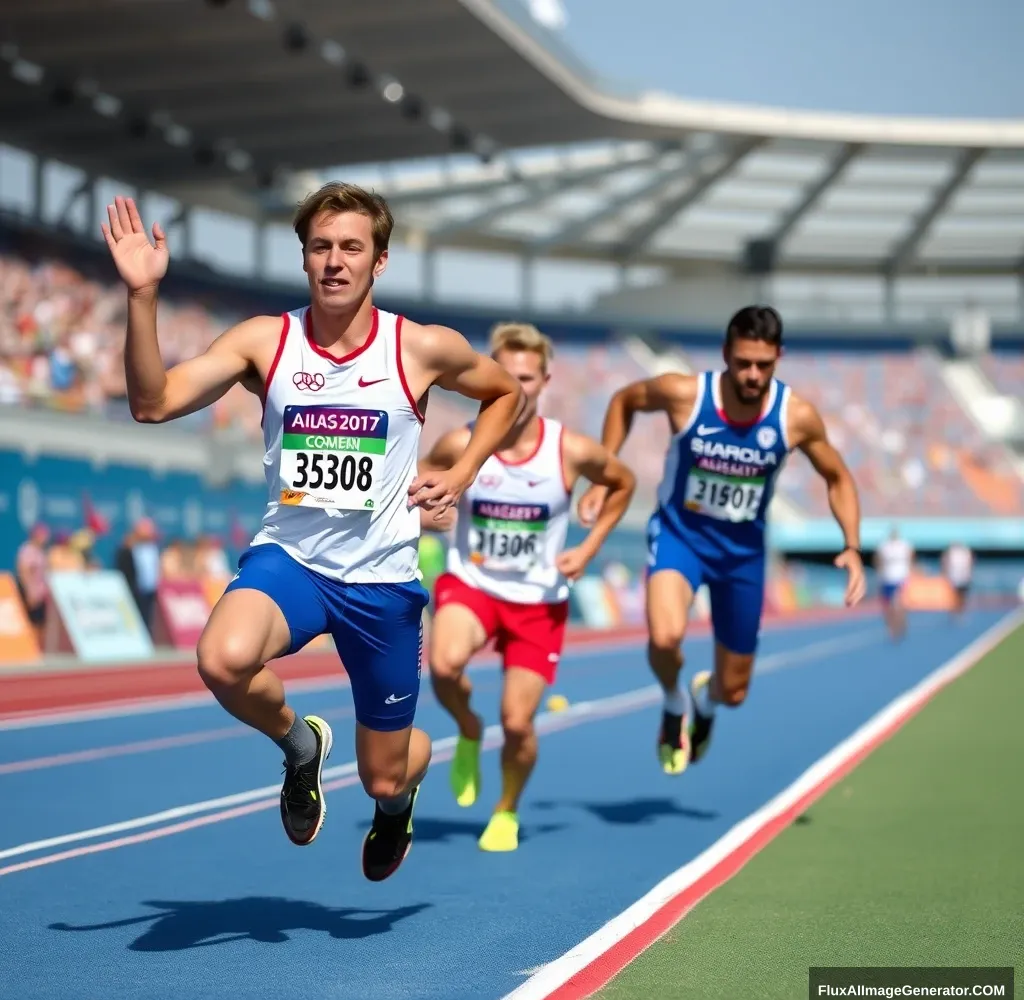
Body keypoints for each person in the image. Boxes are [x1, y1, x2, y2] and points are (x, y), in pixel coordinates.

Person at [101, 185, 523, 882]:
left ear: (379, 261)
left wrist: (466, 470)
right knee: (221, 659)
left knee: (384, 778)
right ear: (304, 258)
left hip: (382, 583)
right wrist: (142, 296)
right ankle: (300, 745)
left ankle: (397, 804)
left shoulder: (418, 348)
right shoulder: (265, 341)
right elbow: (152, 404)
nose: (334, 262)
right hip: (291, 561)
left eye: (351, 247)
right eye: (321, 247)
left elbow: (507, 392)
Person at [578, 306, 865, 775]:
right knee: (666, 636)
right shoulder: (685, 394)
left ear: (779, 358)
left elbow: (837, 476)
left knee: (734, 692)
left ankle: (704, 703)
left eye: (764, 365)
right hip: (679, 538)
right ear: (726, 354)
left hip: (742, 557)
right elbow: (624, 400)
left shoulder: (796, 417)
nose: (753, 376)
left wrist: (851, 546)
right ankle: (673, 702)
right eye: (743, 363)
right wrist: (603, 472)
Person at [420, 322, 636, 852]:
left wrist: (588, 547)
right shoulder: (460, 442)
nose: (516, 389)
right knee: (444, 666)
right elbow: (413, 488)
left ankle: (506, 809)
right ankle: (469, 728)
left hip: (538, 602)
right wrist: (430, 515)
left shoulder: (570, 450)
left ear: (544, 381)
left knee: (518, 723)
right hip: (472, 583)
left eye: (527, 378)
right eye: (506, 376)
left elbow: (623, 483)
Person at [874, 527, 914, 640]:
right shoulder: (884, 546)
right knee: (888, 607)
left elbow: (911, 558)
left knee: (898, 604)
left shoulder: (904, 545)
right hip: (886, 579)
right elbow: (878, 560)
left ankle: (900, 623)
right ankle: (891, 626)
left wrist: (910, 572)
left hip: (900, 579)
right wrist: (879, 573)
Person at [942, 540, 973, 619]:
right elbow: (946, 561)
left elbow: (969, 562)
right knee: (954, 593)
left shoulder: (965, 551)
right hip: (954, 575)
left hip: (963, 575)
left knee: (962, 594)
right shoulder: (951, 551)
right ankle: (955, 609)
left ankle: (961, 609)